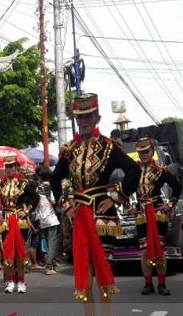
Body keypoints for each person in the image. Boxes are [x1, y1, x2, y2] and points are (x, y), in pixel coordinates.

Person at [51, 93, 140, 309]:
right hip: (80, 215)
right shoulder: (70, 150)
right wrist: (66, 205)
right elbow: (56, 178)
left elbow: (133, 170)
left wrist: (115, 197)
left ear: (97, 118)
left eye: (89, 116)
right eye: (80, 117)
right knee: (85, 267)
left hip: (102, 217)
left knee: (101, 266)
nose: (85, 121)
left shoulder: (109, 148)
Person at [130, 137, 181, 295]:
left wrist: (170, 204)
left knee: (159, 248)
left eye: (147, 151)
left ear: (152, 152)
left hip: (158, 213)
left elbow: (177, 186)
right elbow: (124, 190)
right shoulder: (134, 171)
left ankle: (161, 283)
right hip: (141, 213)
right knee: (144, 250)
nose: (144, 155)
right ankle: (148, 284)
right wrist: (128, 206)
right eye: (141, 152)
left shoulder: (160, 170)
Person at [0, 156, 39, 293]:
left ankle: (21, 280)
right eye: (7, 167)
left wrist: (27, 211)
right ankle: (10, 280)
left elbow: (35, 197)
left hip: (20, 221)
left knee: (19, 251)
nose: (9, 169)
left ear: (16, 167)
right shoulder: (0, 184)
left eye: (11, 166)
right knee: (7, 251)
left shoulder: (23, 183)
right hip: (6, 221)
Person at [34, 166, 60, 275]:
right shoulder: (48, 187)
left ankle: (52, 263)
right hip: (51, 218)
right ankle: (49, 266)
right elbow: (53, 201)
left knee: (48, 243)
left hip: (42, 218)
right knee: (52, 242)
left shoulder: (37, 188)